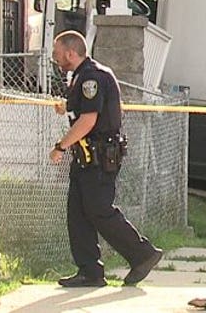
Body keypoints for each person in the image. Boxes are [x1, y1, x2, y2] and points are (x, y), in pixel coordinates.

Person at [49, 30, 163, 287]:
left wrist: (60, 146)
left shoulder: (92, 77)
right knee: (78, 213)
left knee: (99, 211)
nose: (55, 58)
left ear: (70, 52)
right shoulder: (79, 76)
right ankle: (90, 271)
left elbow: (89, 120)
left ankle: (142, 254)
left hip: (99, 157)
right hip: (85, 158)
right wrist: (66, 106)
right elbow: (83, 108)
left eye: (57, 53)